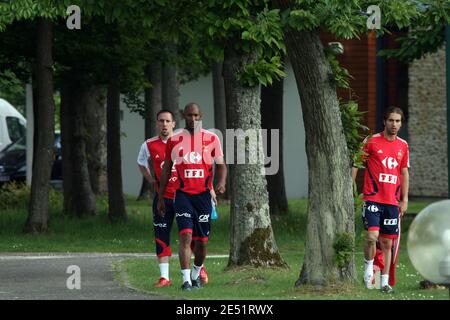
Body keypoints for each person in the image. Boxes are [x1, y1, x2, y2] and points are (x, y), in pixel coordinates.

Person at [158, 102, 227, 291]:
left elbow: (221, 165)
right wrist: (162, 196)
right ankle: (186, 281)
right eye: (189, 115)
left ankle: (196, 274)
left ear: (201, 116)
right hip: (182, 196)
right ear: (184, 116)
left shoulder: (212, 138)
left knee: (202, 244)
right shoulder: (174, 140)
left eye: (196, 116)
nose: (193, 119)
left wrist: (221, 183)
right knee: (186, 236)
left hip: (203, 196)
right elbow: (165, 169)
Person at [137, 109, 208, 288]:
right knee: (161, 234)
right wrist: (151, 180)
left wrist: (210, 189)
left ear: (174, 123)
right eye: (161, 121)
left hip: (185, 196)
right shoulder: (148, 144)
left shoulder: (183, 140)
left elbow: (203, 167)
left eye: (168, 121)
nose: (164, 124)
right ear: (157, 123)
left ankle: (199, 269)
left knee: (191, 235)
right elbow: (141, 163)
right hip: (165, 196)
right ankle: (164, 277)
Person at [352, 106, 409, 294]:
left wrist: (404, 199)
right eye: (391, 120)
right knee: (371, 236)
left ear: (401, 123)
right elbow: (356, 163)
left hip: (392, 201)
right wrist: (350, 188)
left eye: (398, 121)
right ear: (384, 121)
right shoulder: (371, 141)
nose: (394, 124)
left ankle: (384, 283)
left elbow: (404, 172)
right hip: (372, 198)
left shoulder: (403, 145)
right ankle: (368, 268)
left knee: (387, 243)